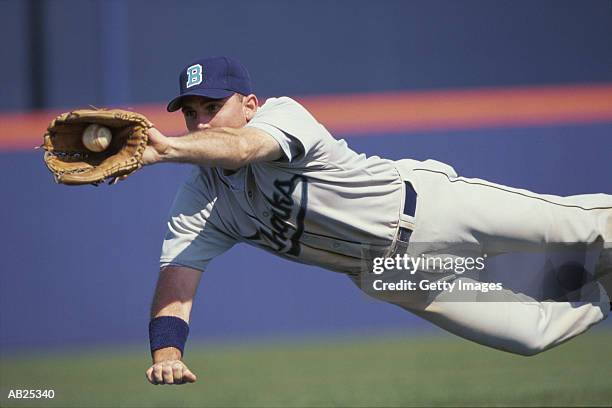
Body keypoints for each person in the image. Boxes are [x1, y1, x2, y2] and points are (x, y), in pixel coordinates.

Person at [143, 56, 612, 385]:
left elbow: (243, 149)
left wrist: (166, 148)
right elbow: (176, 282)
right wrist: (167, 354)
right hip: (387, 272)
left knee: (582, 227)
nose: (200, 123)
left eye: (211, 107)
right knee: (529, 333)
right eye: (190, 113)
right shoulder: (201, 196)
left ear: (250, 105)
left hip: (429, 209)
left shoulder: (282, 116)